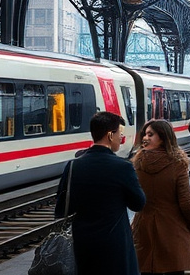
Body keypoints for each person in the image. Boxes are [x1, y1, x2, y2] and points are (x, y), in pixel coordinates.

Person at [55, 112, 146, 275]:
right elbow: (138, 203)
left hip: (83, 242)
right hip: (115, 242)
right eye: (120, 134)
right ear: (110, 135)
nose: (121, 138)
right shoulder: (122, 167)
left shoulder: (73, 167)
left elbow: (62, 209)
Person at [131, 119, 190, 275]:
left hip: (144, 228)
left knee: (147, 268)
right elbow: (185, 201)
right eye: (145, 134)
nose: (145, 138)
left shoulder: (138, 164)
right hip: (173, 227)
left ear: (162, 137)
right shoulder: (178, 164)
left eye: (150, 134)